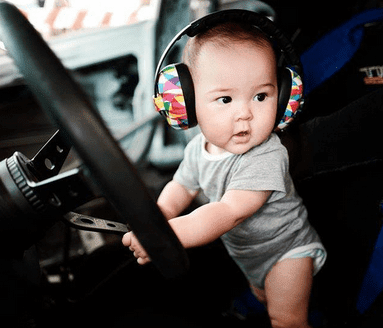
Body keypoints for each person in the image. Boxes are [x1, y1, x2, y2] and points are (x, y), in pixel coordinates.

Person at [122, 21, 326, 328]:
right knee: (264, 300)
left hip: (287, 250)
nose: (244, 113)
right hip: (249, 256)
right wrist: (160, 215)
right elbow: (181, 186)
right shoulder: (197, 149)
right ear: (187, 105)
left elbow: (228, 212)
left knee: (286, 319)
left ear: (284, 99)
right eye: (225, 99)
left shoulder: (268, 155)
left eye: (260, 96)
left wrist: (164, 236)